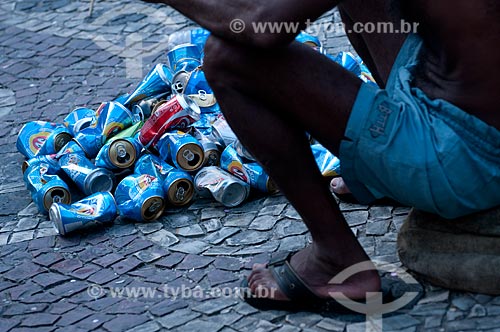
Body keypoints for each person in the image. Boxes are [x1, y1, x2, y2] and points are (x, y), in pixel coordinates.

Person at [144, 0, 500, 309]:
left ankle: (336, 259)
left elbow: (259, 23)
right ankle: (386, 170)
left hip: (464, 157)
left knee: (228, 58)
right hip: (474, 102)